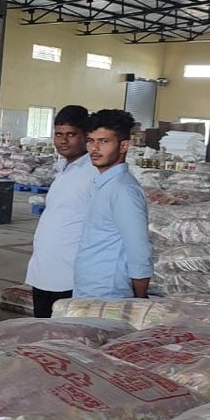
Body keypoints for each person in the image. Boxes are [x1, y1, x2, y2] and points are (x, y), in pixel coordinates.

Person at [73, 110, 152, 299]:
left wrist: (139, 300)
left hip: (108, 293)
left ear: (124, 145)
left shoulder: (123, 191)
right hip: (90, 287)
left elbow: (139, 252)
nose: (94, 148)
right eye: (91, 141)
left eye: (104, 141)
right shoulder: (104, 184)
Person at [25, 105, 95, 317]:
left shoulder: (93, 172)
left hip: (70, 275)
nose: (63, 141)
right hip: (45, 269)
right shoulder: (64, 168)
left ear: (86, 136)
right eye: (59, 134)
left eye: (71, 135)